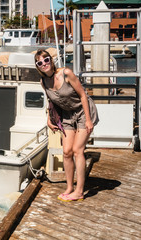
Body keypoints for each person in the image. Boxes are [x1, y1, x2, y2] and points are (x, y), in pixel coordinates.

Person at [34, 50, 99, 202]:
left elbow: (83, 94)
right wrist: (49, 120)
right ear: (37, 66)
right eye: (40, 62)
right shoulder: (43, 82)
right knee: (67, 152)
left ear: (51, 60)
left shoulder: (66, 73)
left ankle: (79, 191)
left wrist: (88, 120)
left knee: (78, 150)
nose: (44, 64)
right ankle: (70, 187)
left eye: (46, 59)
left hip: (83, 112)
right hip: (67, 115)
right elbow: (51, 102)